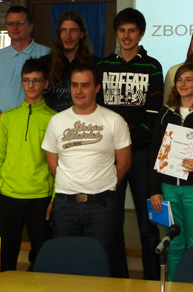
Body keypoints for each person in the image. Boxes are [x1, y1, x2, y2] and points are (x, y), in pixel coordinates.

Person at [42, 65, 132, 268]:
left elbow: (125, 162)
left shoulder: (114, 120)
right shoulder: (57, 121)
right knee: (64, 264)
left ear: (97, 88)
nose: (78, 91)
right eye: (74, 85)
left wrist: (105, 184)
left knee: (99, 264)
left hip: (101, 205)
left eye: (85, 85)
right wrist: (70, 182)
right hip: (65, 205)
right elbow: (53, 161)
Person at [97, 7, 163, 279]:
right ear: (116, 33)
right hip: (108, 156)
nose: (126, 36)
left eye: (132, 31)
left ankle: (152, 281)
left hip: (141, 154)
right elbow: (98, 110)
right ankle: (118, 280)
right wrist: (114, 147)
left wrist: (129, 144)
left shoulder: (152, 66)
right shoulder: (102, 66)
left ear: (141, 34)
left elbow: (154, 111)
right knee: (113, 222)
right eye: (122, 30)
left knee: (148, 224)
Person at [0, 58, 56, 272]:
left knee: (43, 259)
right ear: (21, 82)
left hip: (40, 197)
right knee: (4, 261)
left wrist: (55, 199)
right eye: (26, 80)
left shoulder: (55, 119)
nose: (31, 85)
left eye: (36, 80)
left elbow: (60, 166)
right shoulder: (7, 118)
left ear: (46, 83)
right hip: (8, 196)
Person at [149, 62, 193, 281]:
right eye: (179, 79)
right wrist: (154, 188)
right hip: (168, 188)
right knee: (175, 242)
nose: (183, 84)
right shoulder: (165, 112)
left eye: (189, 79)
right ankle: (173, 286)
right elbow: (155, 152)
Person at [0, 5, 50, 169]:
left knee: (33, 172)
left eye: (20, 23)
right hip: (0, 126)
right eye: (10, 23)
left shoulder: (47, 54)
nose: (15, 27)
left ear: (31, 26)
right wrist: (4, 122)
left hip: (35, 127)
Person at [40, 11, 98, 112]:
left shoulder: (95, 64)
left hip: (84, 119)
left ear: (82, 34)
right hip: (50, 119)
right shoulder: (43, 63)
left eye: (73, 30)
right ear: (59, 34)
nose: (67, 36)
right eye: (63, 30)